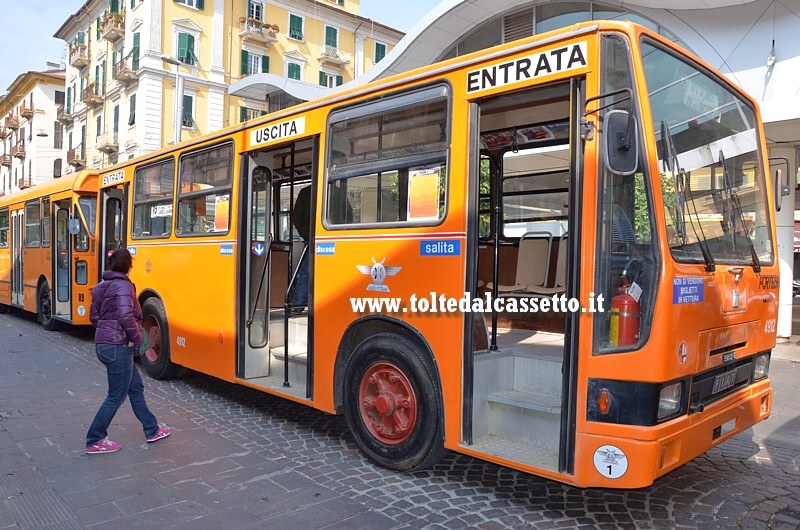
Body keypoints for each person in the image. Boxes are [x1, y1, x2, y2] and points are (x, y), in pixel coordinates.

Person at [85, 248, 170, 454]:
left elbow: (94, 318)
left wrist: (107, 332)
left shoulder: (100, 286)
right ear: (128, 267)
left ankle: (152, 429)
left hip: (104, 345)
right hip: (117, 347)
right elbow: (125, 316)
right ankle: (95, 439)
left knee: (135, 388)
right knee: (116, 396)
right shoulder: (123, 286)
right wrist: (139, 339)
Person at [291, 184, 311, 314]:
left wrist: (306, 234)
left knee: (305, 273)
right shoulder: (338, 189)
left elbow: (296, 217)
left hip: (311, 240)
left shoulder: (305, 192)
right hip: (334, 240)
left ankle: (298, 305)